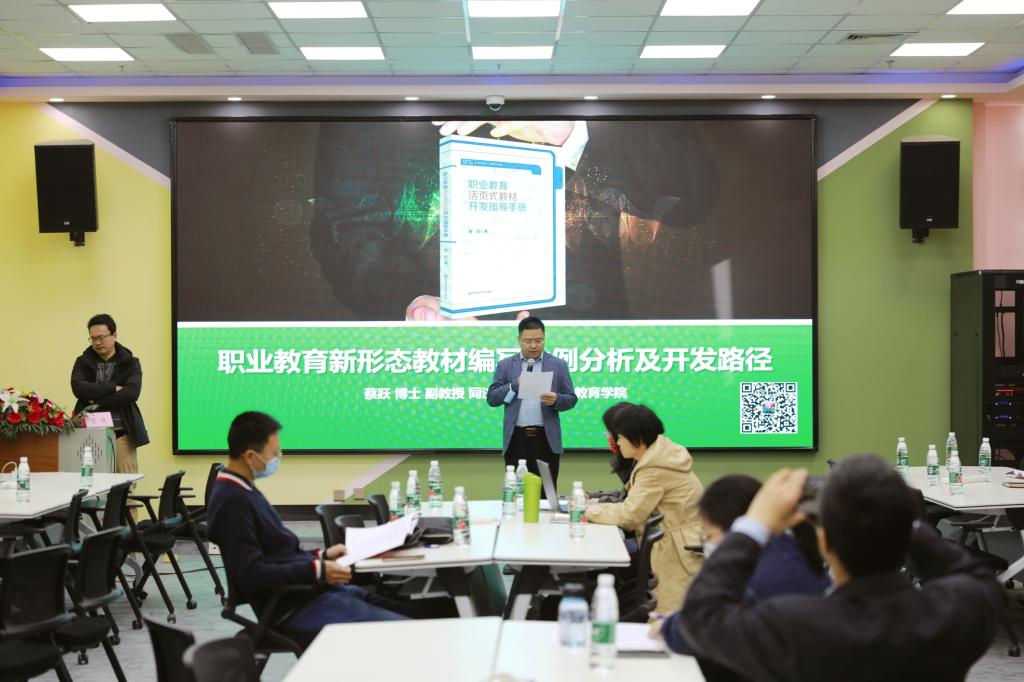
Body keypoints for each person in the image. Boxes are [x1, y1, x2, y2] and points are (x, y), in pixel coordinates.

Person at [679, 456, 1004, 682]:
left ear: (824, 542)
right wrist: (901, 522)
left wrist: (755, 523)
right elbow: (977, 576)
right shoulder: (957, 612)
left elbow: (702, 615)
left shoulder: (795, 624)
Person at [207, 412, 412, 632]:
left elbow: (279, 554)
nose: (278, 457)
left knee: (415, 614)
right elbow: (251, 574)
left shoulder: (244, 489)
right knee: (406, 630)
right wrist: (316, 570)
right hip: (293, 608)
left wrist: (322, 556)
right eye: (274, 453)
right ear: (250, 456)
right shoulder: (232, 500)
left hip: (311, 594)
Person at [658, 474, 831, 664]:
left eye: (709, 535)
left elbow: (699, 630)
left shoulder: (757, 575)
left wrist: (668, 626)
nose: (708, 544)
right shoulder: (786, 550)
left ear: (738, 530)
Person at [584, 403, 703, 614]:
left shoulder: (654, 468)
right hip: (679, 539)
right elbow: (630, 504)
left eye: (620, 437)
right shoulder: (657, 457)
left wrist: (588, 511)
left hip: (677, 549)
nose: (617, 442)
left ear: (636, 437)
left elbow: (629, 516)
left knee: (665, 619)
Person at [486, 316, 578, 486]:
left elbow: (571, 399)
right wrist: (515, 385)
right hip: (516, 439)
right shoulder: (506, 365)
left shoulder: (558, 365)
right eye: (528, 341)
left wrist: (557, 400)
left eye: (539, 341)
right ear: (519, 340)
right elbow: (492, 398)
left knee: (546, 491)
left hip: (546, 439)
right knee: (516, 491)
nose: (534, 346)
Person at [71, 313, 149, 473]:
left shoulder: (130, 362)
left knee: (125, 485)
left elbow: (131, 393)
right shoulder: (83, 362)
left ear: (114, 335)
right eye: (93, 338)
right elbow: (78, 388)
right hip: (88, 436)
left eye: (101, 337)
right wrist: (113, 387)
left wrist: (94, 401)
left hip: (121, 435)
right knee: (89, 483)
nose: (97, 343)